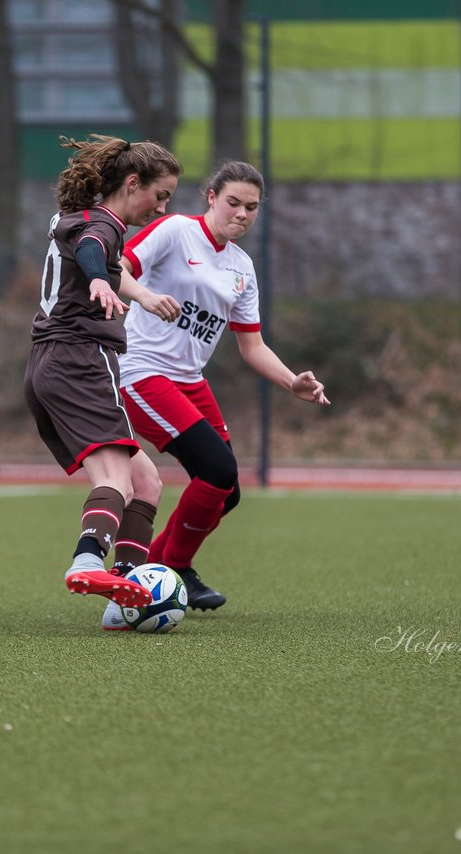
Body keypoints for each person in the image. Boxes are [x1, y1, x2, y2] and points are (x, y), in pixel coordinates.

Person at [101, 160, 330, 627]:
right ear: (210, 197)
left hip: (190, 380)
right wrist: (143, 296)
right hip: (143, 374)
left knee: (227, 494)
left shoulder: (242, 268)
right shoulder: (175, 231)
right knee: (218, 469)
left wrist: (292, 382)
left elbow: (253, 345)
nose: (242, 214)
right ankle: (174, 570)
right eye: (233, 203)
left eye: (251, 208)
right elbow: (115, 267)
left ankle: (153, 571)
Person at [24, 134, 184, 614]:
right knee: (116, 476)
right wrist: (98, 276)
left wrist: (130, 290)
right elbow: (95, 250)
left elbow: (94, 250)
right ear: (133, 183)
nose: (160, 209)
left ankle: (128, 597)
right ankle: (88, 561)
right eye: (161, 196)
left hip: (49, 364)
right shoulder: (103, 227)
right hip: (80, 360)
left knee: (148, 482)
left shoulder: (77, 217)